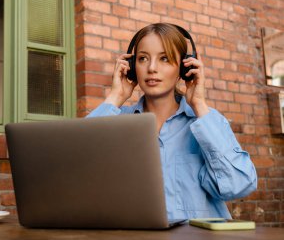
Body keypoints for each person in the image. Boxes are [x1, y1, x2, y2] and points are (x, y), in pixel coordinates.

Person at [86, 23, 257, 220]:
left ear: (184, 68)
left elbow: (238, 185)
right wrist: (116, 96)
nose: (151, 68)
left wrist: (199, 104)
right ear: (132, 68)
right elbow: (77, 170)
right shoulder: (115, 122)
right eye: (142, 59)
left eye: (164, 59)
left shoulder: (207, 121)